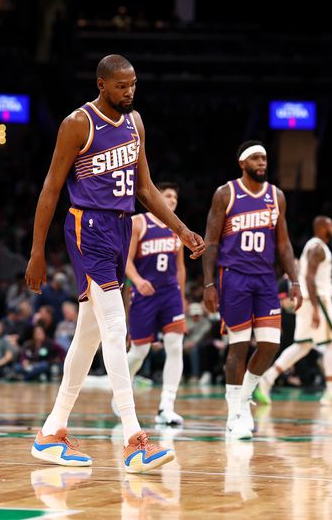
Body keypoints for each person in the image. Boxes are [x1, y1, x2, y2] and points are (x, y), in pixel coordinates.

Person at [25, 54, 205, 473]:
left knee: (88, 335)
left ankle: (52, 432)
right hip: (87, 225)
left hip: (121, 228)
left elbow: (145, 188)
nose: (129, 92)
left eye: (134, 85)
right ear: (102, 84)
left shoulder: (135, 123)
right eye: (122, 85)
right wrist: (37, 252)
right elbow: (51, 190)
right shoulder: (77, 124)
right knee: (115, 325)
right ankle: (134, 437)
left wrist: (180, 229)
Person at [202, 140, 302, 440]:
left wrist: (294, 280)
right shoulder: (226, 193)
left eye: (265, 158)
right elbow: (212, 240)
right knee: (239, 345)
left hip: (265, 278)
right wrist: (208, 283)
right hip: (234, 277)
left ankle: (244, 397)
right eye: (256, 158)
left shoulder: (276, 196)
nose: (262, 163)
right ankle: (234, 412)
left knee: (271, 344)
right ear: (242, 163)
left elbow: (283, 243)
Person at [257, 216, 332, 407]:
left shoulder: (315, 247)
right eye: (331, 225)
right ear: (322, 228)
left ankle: (267, 379)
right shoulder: (317, 248)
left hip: (309, 300)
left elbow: (322, 282)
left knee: (303, 345)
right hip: (317, 301)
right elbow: (310, 279)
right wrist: (315, 309)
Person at [123, 182, 187, 426]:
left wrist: (181, 298)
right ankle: (121, 393)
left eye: (175, 197)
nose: (172, 200)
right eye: (167, 195)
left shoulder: (176, 228)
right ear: (157, 197)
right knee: (140, 351)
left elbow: (180, 268)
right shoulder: (139, 222)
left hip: (170, 292)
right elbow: (126, 260)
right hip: (145, 293)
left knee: (175, 345)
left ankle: (166, 406)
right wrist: (137, 281)